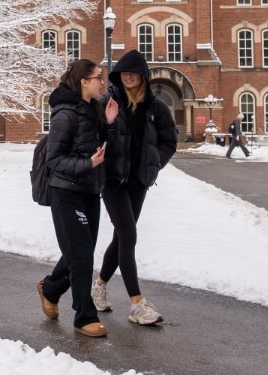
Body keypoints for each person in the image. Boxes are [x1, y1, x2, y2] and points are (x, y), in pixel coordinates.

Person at [92, 51, 175, 326]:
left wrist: (154, 165)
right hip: (113, 180)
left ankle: (99, 287)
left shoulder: (157, 108)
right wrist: (112, 122)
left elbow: (168, 142)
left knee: (121, 237)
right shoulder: (108, 103)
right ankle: (137, 303)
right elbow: (98, 137)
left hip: (139, 181)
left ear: (143, 76)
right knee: (128, 234)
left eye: (133, 72)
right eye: (123, 72)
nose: (127, 76)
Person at [37, 59, 118, 338]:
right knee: (81, 254)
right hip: (66, 192)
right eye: (98, 77)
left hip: (89, 192)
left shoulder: (93, 109)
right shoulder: (65, 115)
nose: (102, 82)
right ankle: (84, 316)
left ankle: (51, 287)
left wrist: (108, 123)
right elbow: (54, 159)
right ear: (84, 82)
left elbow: (99, 146)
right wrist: (88, 165)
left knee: (79, 251)